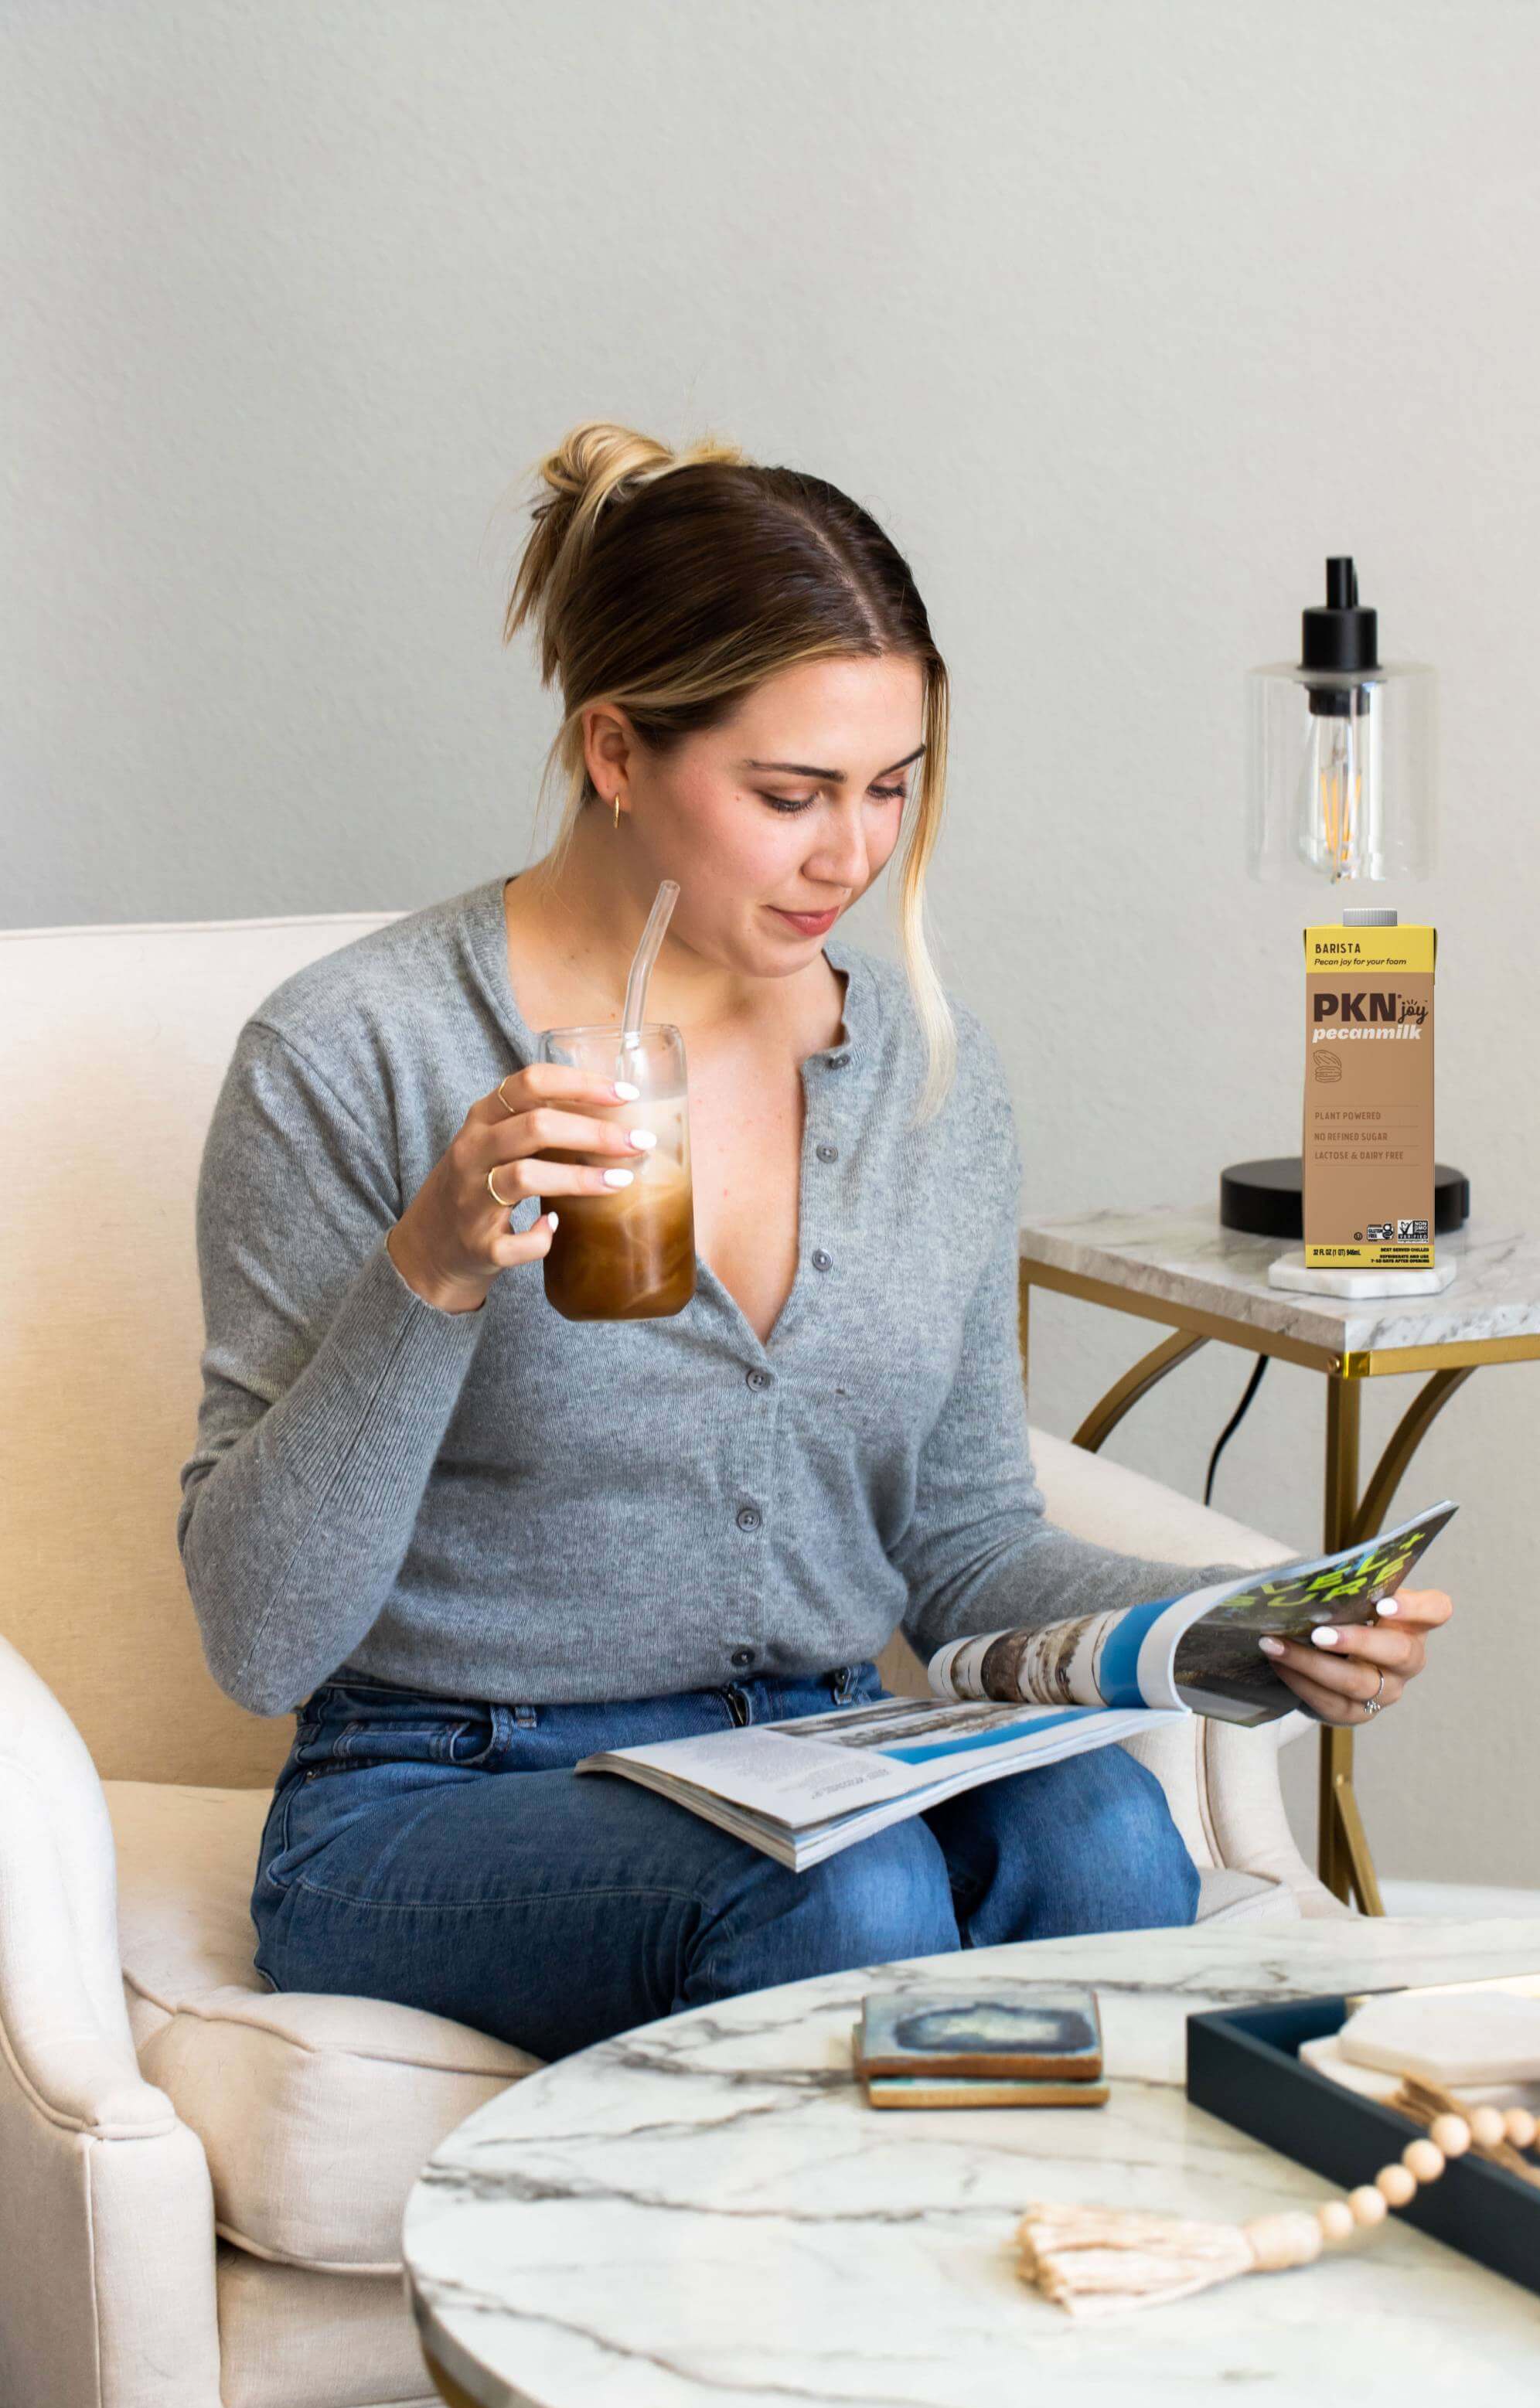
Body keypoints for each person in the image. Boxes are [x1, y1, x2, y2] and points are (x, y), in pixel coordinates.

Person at [179, 420, 1453, 2063]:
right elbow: (258, 1635)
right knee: (833, 1905)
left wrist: (1241, 1622)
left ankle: (1072, 2295)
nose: (849, 855)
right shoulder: (356, 1051)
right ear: (617, 751)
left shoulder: (921, 1060)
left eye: (889, 789)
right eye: (788, 795)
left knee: (1107, 1836)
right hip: (437, 1788)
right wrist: (427, 1272)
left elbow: (967, 1548)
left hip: (814, 1751)